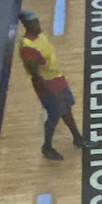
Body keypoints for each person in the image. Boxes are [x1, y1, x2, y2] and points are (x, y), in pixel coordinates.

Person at [19, 8, 87, 160]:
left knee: (67, 109)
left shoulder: (40, 36)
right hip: (48, 85)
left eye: (37, 21)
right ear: (27, 24)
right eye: (34, 22)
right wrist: (48, 91)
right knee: (54, 116)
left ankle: (77, 138)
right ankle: (47, 147)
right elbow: (35, 75)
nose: (38, 24)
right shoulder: (28, 47)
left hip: (57, 78)